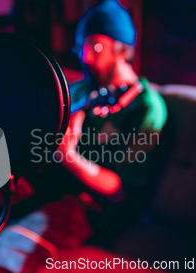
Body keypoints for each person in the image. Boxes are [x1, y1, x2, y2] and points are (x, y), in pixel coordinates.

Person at [57, 0, 168, 236]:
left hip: (88, 207)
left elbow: (121, 191)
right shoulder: (79, 90)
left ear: (122, 49)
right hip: (51, 187)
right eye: (81, 48)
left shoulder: (147, 109)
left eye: (96, 47)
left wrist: (70, 158)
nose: (85, 58)